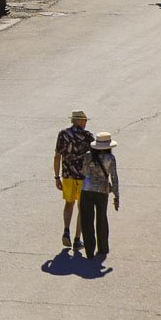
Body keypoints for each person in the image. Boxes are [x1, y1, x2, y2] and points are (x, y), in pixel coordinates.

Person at [53, 109, 92, 250]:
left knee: (69, 203)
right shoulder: (87, 136)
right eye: (85, 120)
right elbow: (95, 157)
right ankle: (77, 239)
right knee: (82, 208)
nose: (86, 123)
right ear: (81, 121)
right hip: (83, 178)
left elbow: (57, 156)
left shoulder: (63, 134)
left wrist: (57, 176)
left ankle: (66, 230)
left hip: (67, 176)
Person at [78, 132, 120, 259]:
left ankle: (89, 250)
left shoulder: (87, 156)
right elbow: (114, 177)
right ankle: (103, 248)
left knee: (87, 220)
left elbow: (83, 172)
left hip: (86, 190)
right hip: (103, 191)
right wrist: (116, 195)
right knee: (102, 218)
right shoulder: (110, 159)